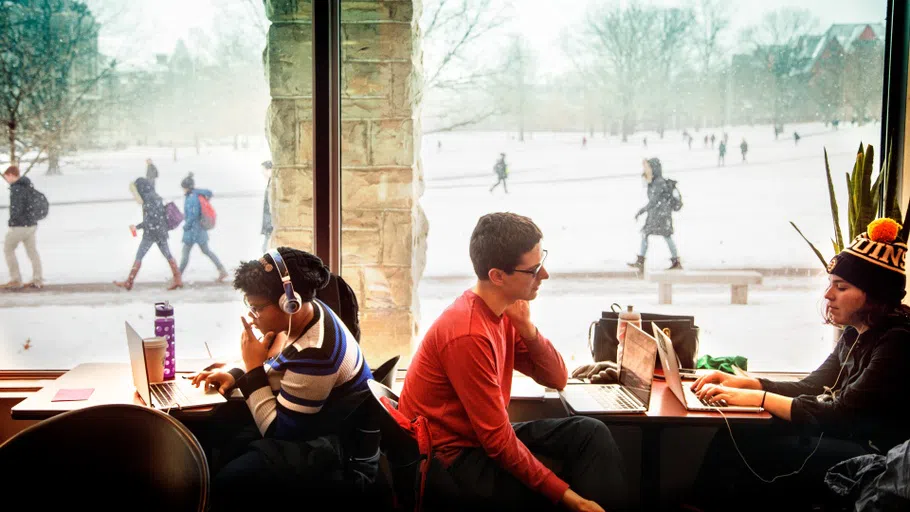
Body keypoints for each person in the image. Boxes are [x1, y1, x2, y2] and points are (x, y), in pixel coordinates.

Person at [399, 212, 629, 512]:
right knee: (561, 494)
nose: (544, 275)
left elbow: (557, 378)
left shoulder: (504, 312)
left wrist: (528, 330)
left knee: (590, 432)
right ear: (497, 276)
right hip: (456, 460)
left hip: (478, 442)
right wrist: (574, 500)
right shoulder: (468, 334)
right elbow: (497, 441)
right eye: (534, 269)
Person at [686, 218, 910, 511]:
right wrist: (746, 384)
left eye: (840, 287)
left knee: (761, 449)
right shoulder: (857, 332)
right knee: (738, 430)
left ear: (873, 294)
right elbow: (812, 386)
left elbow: (841, 414)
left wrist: (758, 398)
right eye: (830, 285)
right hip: (847, 435)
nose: (828, 295)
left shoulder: (897, 341)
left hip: (873, 455)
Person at [190, 247, 378, 509]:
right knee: (217, 437)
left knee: (225, 480)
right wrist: (237, 373)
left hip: (334, 452)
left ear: (290, 303)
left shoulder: (316, 352)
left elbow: (277, 431)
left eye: (257, 309)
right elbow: (274, 363)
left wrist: (252, 368)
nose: (252, 318)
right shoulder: (305, 315)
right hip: (313, 427)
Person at [114, 177, 182, 291]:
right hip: (160, 231)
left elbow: (152, 220)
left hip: (152, 233)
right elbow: (157, 217)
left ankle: (129, 282)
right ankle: (178, 279)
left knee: (139, 256)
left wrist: (137, 227)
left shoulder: (148, 199)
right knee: (168, 255)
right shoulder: (154, 196)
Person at [627, 158, 682, 272]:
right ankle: (642, 261)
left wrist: (641, 211)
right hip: (657, 213)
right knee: (649, 234)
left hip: (661, 214)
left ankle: (675, 261)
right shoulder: (655, 181)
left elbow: (654, 201)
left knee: (663, 235)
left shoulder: (659, 182)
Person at [178, 173, 228, 282]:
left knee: (185, 253)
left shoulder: (192, 198)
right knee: (206, 251)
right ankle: (222, 270)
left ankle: (177, 276)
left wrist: (186, 226)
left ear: (187, 187)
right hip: (199, 230)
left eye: (183, 188)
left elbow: (193, 215)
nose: (183, 190)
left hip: (194, 231)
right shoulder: (195, 195)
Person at [3, 166, 43, 289]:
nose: (6, 180)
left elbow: (16, 209)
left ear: (11, 175)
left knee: (8, 249)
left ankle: (16, 280)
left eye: (6, 177)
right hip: (32, 225)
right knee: (32, 252)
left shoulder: (16, 189)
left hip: (20, 225)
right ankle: (37, 279)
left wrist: (12, 222)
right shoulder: (28, 185)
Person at [260, 161, 273, 253]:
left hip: (270, 225)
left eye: (263, 170)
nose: (263, 173)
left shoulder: (272, 185)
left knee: (267, 250)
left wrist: (269, 226)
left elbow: (270, 208)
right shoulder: (270, 184)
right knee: (268, 250)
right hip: (269, 224)